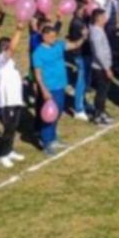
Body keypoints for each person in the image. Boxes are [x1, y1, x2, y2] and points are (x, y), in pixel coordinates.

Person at [31, 22, 85, 153]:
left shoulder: (59, 45)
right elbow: (37, 74)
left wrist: (83, 37)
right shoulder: (38, 53)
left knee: (58, 112)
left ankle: (53, 137)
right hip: (49, 89)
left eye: (55, 36)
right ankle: (46, 141)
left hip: (60, 86)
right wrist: (43, 90)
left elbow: (74, 45)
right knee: (49, 115)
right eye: (51, 37)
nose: (54, 39)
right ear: (44, 36)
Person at [0, 24, 28, 168]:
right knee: (8, 128)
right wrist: (18, 30)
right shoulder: (0, 59)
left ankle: (9, 150)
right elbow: (12, 49)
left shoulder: (10, 61)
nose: (9, 47)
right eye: (6, 45)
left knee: (13, 127)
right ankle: (2, 155)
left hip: (15, 99)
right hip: (7, 101)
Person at [87, 8, 118, 125]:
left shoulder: (99, 30)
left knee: (104, 91)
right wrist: (107, 68)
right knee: (101, 92)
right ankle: (98, 114)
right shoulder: (96, 33)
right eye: (104, 17)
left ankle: (101, 112)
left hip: (104, 66)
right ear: (98, 18)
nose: (106, 18)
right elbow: (99, 53)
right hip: (101, 68)